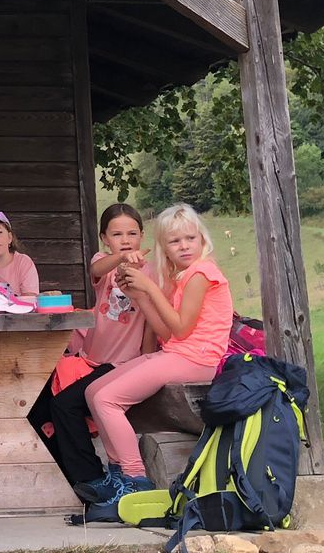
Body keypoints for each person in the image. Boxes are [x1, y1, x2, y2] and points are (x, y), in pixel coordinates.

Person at [83, 202, 232, 506]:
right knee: (93, 390)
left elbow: (179, 329)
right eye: (175, 242)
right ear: (164, 247)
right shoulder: (183, 277)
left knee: (106, 400)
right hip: (179, 354)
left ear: (202, 239)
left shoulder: (202, 273)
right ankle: (117, 474)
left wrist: (148, 288)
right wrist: (140, 295)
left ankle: (136, 480)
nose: (184, 246)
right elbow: (166, 333)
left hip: (197, 360)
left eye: (190, 239)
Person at [28, 204, 152, 498]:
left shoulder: (150, 272)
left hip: (122, 365)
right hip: (90, 362)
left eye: (132, 233)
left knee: (65, 405)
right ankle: (71, 480)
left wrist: (147, 361)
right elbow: (95, 268)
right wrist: (121, 258)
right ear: (104, 239)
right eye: (117, 234)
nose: (125, 239)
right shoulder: (105, 265)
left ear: (142, 236)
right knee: (37, 407)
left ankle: (94, 480)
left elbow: (151, 323)